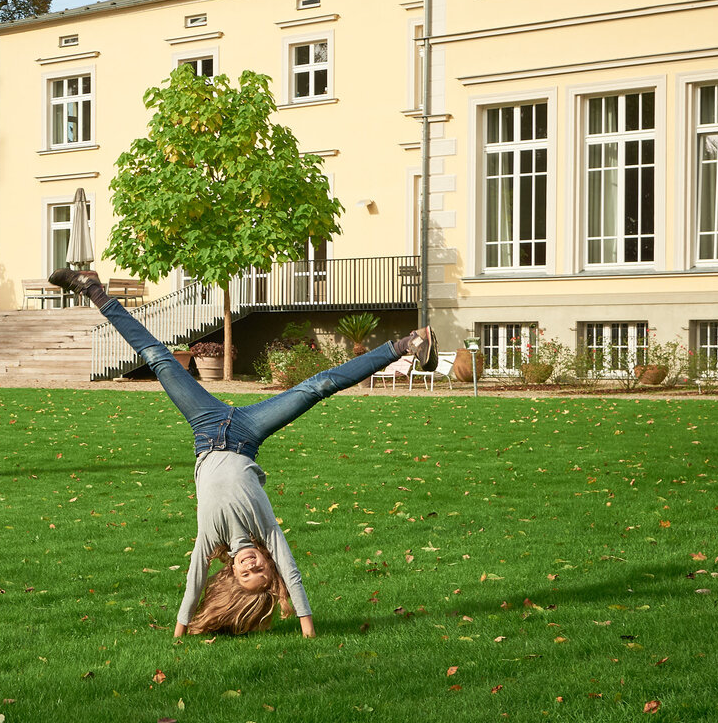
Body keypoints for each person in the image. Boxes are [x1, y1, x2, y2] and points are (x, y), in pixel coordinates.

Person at [48, 267, 438, 638]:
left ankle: (92, 288)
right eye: (262, 572)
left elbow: (193, 583)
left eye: (247, 573)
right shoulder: (265, 530)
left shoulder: (209, 537)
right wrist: (308, 629)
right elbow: (293, 573)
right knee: (317, 387)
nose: (253, 566)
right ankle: (407, 344)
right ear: (269, 564)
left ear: (232, 571)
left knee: (157, 358)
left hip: (205, 428)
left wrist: (182, 629)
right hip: (248, 434)